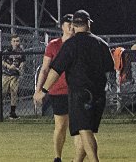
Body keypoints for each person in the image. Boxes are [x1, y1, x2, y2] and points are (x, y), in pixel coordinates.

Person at [35, 10, 112, 162]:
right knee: (88, 131)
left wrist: (43, 90)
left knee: (84, 130)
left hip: (80, 93)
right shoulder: (101, 43)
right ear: (88, 23)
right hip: (99, 94)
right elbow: (109, 66)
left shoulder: (71, 44)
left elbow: (56, 70)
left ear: (74, 26)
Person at [37, 16, 74, 161]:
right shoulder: (54, 45)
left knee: (77, 128)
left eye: (73, 24)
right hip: (58, 90)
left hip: (75, 90)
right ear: (62, 26)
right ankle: (57, 157)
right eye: (68, 24)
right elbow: (45, 69)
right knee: (60, 126)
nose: (71, 26)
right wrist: (38, 89)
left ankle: (76, 158)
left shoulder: (78, 43)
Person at [0, 34, 26, 119]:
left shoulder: (21, 51)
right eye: (14, 41)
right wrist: (8, 66)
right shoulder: (7, 51)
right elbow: (2, 61)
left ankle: (12, 112)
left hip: (15, 75)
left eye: (17, 41)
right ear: (11, 42)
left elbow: (22, 61)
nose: (16, 43)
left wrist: (21, 66)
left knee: (14, 91)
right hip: (6, 74)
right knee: (3, 92)